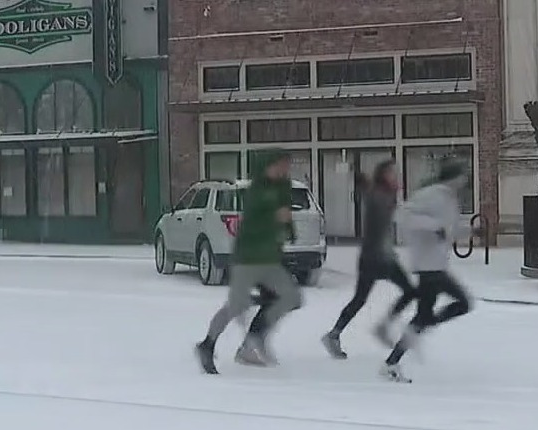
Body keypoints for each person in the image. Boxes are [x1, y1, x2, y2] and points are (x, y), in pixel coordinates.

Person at [195, 150, 302, 374]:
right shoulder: (258, 190)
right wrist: (275, 219)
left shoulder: (282, 188)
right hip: (248, 258)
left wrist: (288, 229)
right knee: (237, 306)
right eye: (280, 165)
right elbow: (252, 224)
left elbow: (285, 216)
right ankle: (207, 345)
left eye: (286, 166)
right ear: (268, 166)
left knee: (291, 297)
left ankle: (253, 340)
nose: (284, 170)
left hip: (270, 258)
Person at [380, 158, 478, 383]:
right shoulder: (432, 194)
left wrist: (470, 232)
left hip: (435, 265)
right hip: (428, 266)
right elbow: (403, 215)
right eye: (462, 175)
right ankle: (410, 342)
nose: (465, 180)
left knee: (423, 316)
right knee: (463, 303)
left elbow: (448, 229)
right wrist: (434, 228)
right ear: (454, 176)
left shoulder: (449, 198)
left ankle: (392, 361)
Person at [321, 159, 418, 359]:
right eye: (392, 173)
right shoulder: (379, 196)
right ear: (383, 176)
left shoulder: (385, 196)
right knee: (407, 292)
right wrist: (363, 183)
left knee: (361, 299)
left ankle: (335, 333)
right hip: (377, 258)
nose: (396, 177)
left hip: (375, 257)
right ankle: (381, 326)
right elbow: (373, 200)